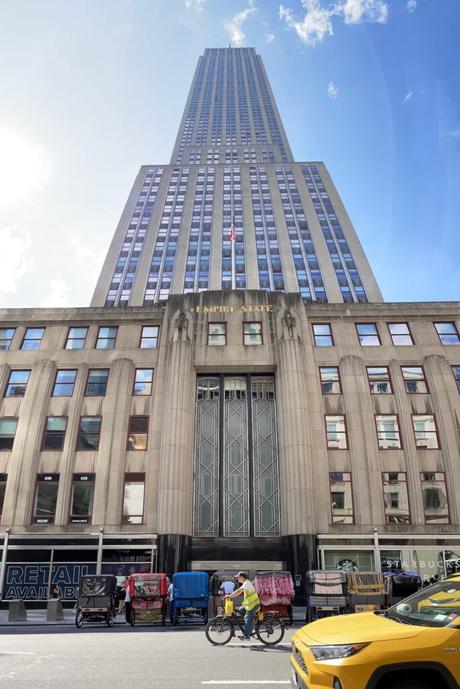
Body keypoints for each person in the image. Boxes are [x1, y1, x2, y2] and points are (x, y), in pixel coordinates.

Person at [224, 571, 260, 640]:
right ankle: (251, 622)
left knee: (247, 618)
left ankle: (246, 635)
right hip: (249, 604)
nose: (237, 579)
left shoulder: (247, 583)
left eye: (238, 577)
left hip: (253, 604)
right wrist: (232, 596)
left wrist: (230, 596)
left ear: (242, 577)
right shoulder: (245, 583)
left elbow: (239, 591)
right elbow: (240, 592)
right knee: (241, 610)